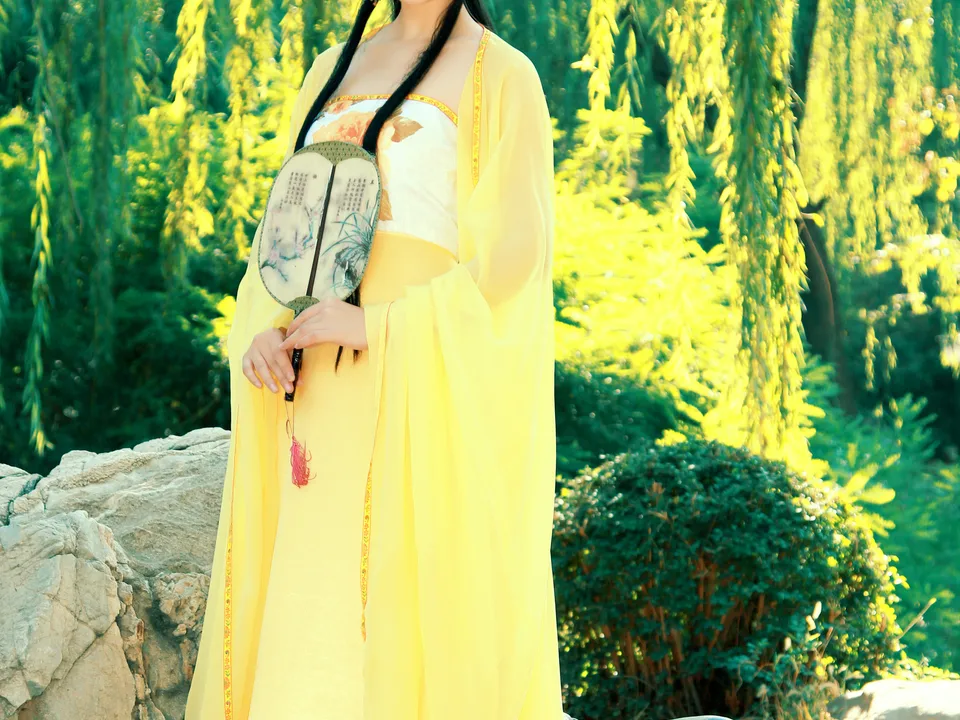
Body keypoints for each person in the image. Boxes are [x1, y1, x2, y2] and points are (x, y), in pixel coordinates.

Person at [185, 0, 561, 717]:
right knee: (311, 590)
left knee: (404, 591)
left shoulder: (503, 75)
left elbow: (515, 256)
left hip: (418, 376)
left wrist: (380, 326)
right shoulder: (332, 67)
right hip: (316, 383)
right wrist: (265, 328)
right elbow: (284, 232)